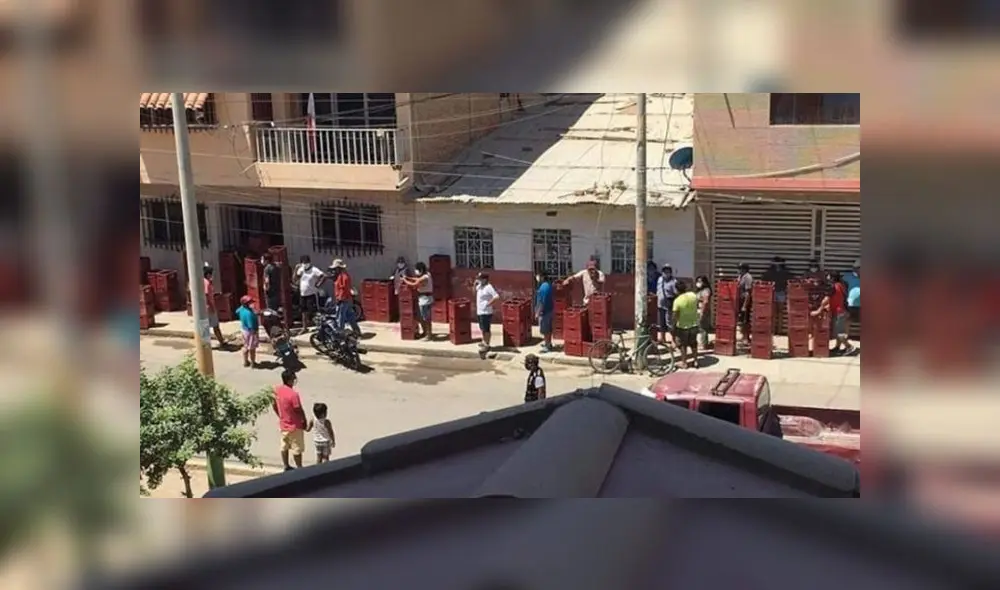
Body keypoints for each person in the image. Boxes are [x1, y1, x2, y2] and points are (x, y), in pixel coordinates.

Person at [272, 369, 307, 471]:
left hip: (283, 425)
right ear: (289, 380)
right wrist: (303, 420)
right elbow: (298, 409)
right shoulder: (293, 394)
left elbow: (274, 405)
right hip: (295, 426)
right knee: (297, 449)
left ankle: (286, 465)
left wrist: (280, 416)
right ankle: (299, 468)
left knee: (284, 446)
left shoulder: (277, 390)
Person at [672, 280, 700, 369]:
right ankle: (696, 361)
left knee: (683, 345)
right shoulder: (693, 295)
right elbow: (697, 304)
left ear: (676, 290)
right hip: (694, 324)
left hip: (683, 326)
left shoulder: (677, 301)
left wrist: (673, 326)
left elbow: (675, 316)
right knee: (693, 344)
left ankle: (684, 363)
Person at [403, 262, 434, 340]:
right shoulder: (427, 274)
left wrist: (404, 280)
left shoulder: (425, 277)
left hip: (425, 300)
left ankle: (428, 335)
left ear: (421, 270)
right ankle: (425, 332)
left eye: (416, 269)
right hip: (423, 299)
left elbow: (414, 284)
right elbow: (417, 279)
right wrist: (408, 277)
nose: (415, 271)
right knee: (421, 318)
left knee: (426, 318)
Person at [294, 255, 325, 332]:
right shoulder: (301, 270)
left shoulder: (314, 270)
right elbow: (295, 279)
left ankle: (319, 326)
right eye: (303, 262)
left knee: (313, 311)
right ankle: (304, 328)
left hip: (311, 294)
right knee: (303, 311)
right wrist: (296, 269)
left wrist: (318, 284)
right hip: (303, 294)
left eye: (306, 262)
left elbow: (323, 276)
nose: (305, 264)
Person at [329, 259, 360, 336]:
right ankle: (357, 331)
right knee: (350, 317)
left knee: (340, 318)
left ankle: (340, 334)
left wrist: (340, 299)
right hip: (347, 299)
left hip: (343, 300)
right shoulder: (343, 275)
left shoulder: (342, 277)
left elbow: (343, 289)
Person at [474, 272, 500, 357]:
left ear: (485, 279)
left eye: (481, 279)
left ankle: (487, 344)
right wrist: (474, 285)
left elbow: (496, 296)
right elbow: (474, 292)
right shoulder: (480, 286)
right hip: (480, 311)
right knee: (482, 328)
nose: (479, 280)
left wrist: (488, 304)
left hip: (486, 312)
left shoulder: (489, 287)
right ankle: (484, 341)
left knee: (486, 328)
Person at [827, 271, 854, 355]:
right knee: (837, 331)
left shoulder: (834, 287)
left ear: (832, 277)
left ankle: (849, 347)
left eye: (828, 276)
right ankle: (837, 347)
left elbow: (827, 298)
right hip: (842, 311)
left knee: (839, 332)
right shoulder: (841, 285)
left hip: (840, 312)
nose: (827, 277)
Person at [203, 265, 227, 347]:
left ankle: (207, 343)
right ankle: (220, 341)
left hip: (208, 306)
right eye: (211, 274)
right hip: (209, 307)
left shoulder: (206, 282)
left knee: (207, 326)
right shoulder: (206, 283)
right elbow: (206, 295)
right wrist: (211, 306)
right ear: (208, 274)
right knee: (214, 325)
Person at [656, 263, 678, 344]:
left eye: (668, 271)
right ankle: (662, 339)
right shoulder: (660, 279)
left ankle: (673, 340)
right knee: (661, 323)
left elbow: (676, 293)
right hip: (660, 305)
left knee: (670, 323)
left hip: (669, 305)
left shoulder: (674, 281)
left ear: (670, 272)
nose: (666, 273)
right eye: (664, 271)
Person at [236, 295, 260, 368]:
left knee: (245, 346)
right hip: (251, 332)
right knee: (252, 348)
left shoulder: (241, 309)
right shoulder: (249, 313)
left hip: (244, 330)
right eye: (250, 302)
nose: (252, 304)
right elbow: (251, 325)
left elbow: (237, 311)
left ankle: (245, 362)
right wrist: (255, 332)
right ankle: (253, 363)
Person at [534, 270, 555, 353]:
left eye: (538, 276)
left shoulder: (543, 287)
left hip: (545, 312)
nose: (537, 278)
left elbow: (542, 302)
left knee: (545, 330)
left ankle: (547, 346)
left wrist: (537, 313)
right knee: (548, 329)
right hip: (550, 310)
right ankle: (549, 343)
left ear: (542, 277)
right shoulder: (548, 285)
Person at [737, 262, 754, 345]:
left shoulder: (748, 277)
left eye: (741, 268)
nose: (739, 270)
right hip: (740, 300)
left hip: (745, 301)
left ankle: (747, 338)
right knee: (741, 320)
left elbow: (748, 293)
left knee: (745, 320)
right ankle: (743, 336)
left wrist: (744, 305)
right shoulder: (740, 276)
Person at [695, 275, 713, 349]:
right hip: (699, 310)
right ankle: (702, 342)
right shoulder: (700, 290)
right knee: (700, 327)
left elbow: (705, 302)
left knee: (703, 328)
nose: (698, 283)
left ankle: (704, 344)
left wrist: (702, 312)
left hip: (704, 310)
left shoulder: (706, 290)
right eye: (698, 281)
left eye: (700, 281)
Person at [843, 259, 861, 334]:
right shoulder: (847, 277)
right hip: (850, 304)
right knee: (847, 320)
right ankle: (846, 336)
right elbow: (842, 289)